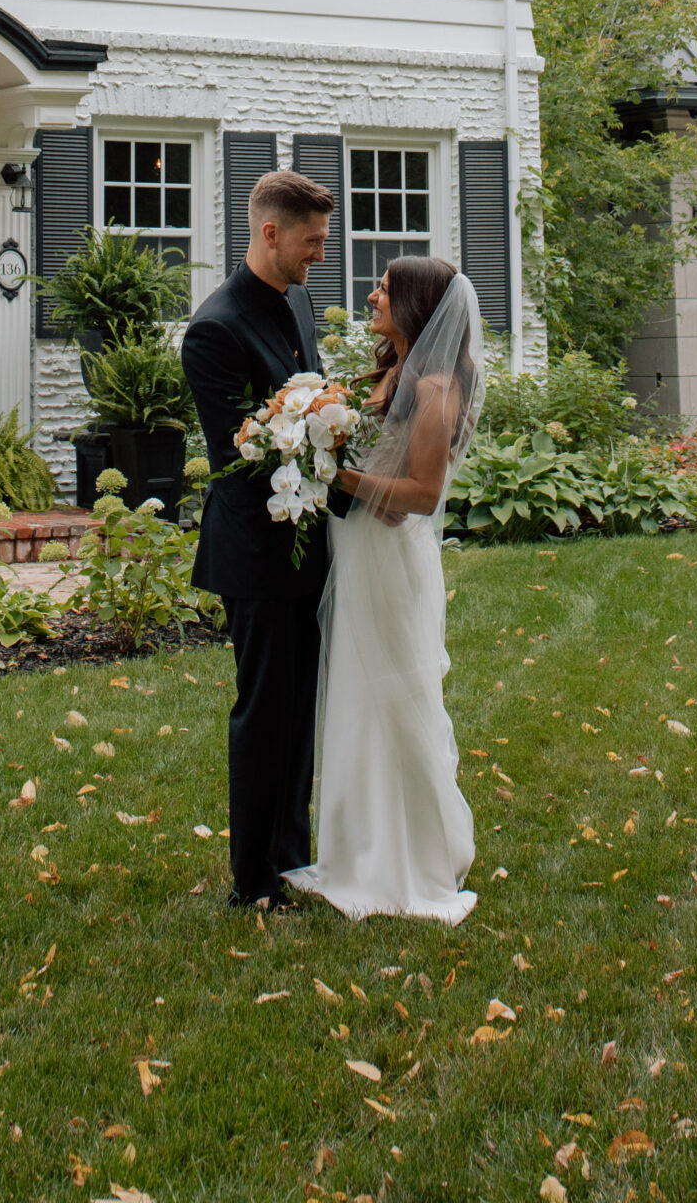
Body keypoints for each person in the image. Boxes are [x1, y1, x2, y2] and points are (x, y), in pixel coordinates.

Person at [284, 255, 486, 923]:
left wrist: (334, 473)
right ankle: (354, 851)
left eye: (385, 288)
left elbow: (422, 495)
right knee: (356, 699)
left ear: (417, 307)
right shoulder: (393, 372)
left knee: (394, 702)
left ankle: (407, 862)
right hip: (362, 552)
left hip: (391, 563)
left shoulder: (431, 389)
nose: (371, 294)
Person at [181, 168, 335, 907]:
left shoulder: (298, 301)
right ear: (268, 233)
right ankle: (253, 880)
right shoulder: (214, 329)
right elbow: (236, 453)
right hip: (255, 552)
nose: (318, 257)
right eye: (310, 243)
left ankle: (291, 857)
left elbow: (314, 391)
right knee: (263, 709)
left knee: (300, 708)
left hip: (309, 546)